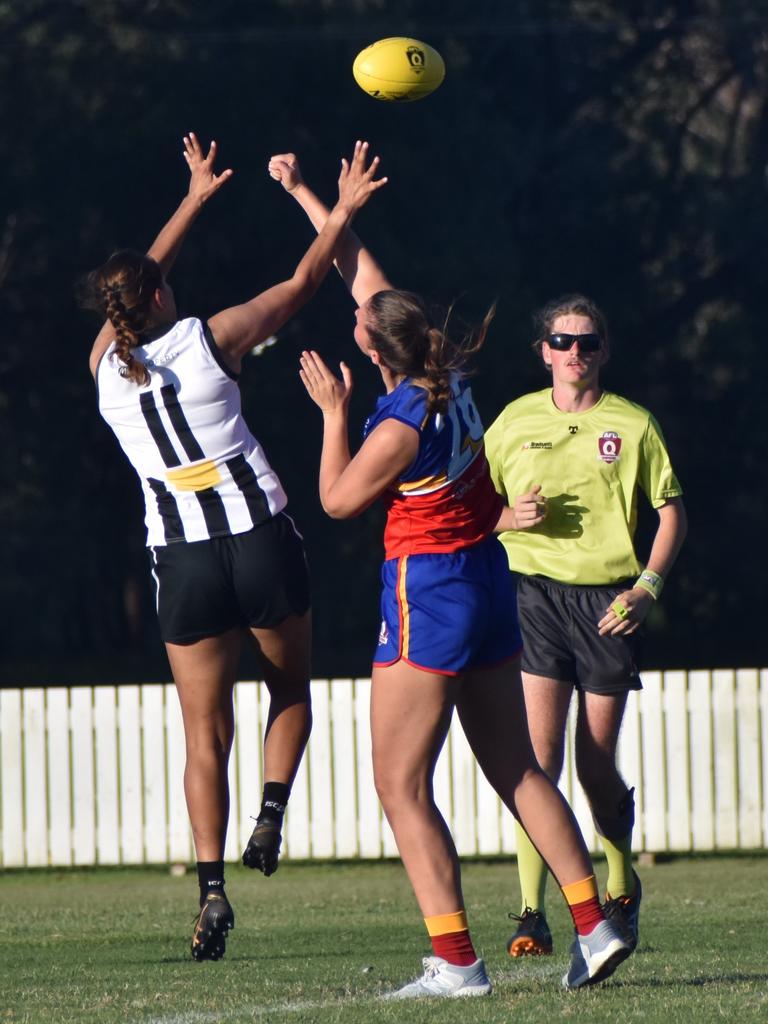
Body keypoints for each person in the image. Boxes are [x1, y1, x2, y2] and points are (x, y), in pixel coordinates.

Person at [270, 147, 632, 996]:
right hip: (485, 585)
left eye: (360, 325)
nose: (355, 318)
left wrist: (333, 414)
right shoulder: (447, 370)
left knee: (399, 783)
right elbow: (367, 284)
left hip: (428, 593)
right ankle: (594, 921)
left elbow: (334, 502)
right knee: (517, 768)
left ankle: (457, 961)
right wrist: (315, 199)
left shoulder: (397, 416)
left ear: (374, 351)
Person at [80, 133, 386, 961]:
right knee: (290, 691)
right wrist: (345, 208)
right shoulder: (211, 339)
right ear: (158, 294)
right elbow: (302, 282)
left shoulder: (105, 367)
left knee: (201, 732)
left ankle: (211, 890)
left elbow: (135, 283)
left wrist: (191, 200)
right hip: (257, 541)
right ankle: (272, 815)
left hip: (180, 564)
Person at [484, 294, 687, 959]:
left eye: (589, 342)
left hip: (608, 604)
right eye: (564, 342)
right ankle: (529, 913)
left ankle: (622, 883)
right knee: (535, 762)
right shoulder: (513, 422)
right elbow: (471, 509)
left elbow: (671, 514)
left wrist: (647, 587)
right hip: (533, 598)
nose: (576, 353)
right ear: (543, 351)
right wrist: (509, 519)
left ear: (604, 350)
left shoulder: (632, 425)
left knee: (595, 765)